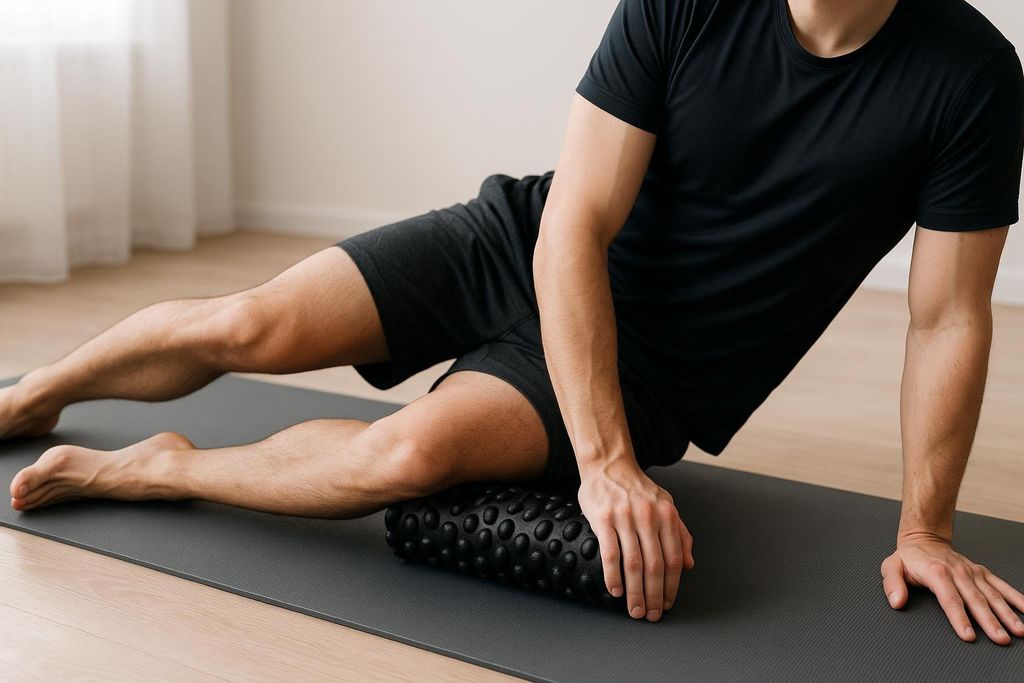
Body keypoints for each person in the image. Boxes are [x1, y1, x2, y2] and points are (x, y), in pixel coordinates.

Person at [2, 0, 1023, 639]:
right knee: (246, 323)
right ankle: (35, 393)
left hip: (662, 361)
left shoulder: (968, 75)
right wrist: (604, 464)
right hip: (522, 241)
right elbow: (574, 224)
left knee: (402, 457)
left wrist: (924, 527)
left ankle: (157, 463)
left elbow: (944, 318)